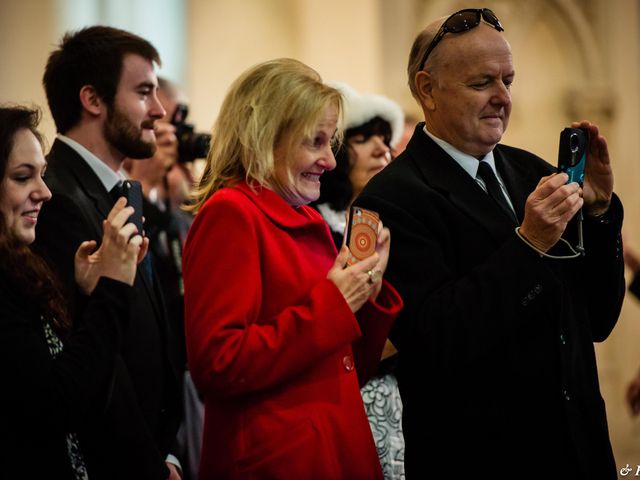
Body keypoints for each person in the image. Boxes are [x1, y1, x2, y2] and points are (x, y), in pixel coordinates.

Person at [355, 8, 625, 479]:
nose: (503, 98)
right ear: (427, 89)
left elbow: (597, 319)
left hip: (579, 451)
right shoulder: (389, 198)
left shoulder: (533, 172)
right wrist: (528, 245)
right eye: (482, 83)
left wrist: (600, 215)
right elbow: (436, 343)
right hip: (480, 457)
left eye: (509, 81)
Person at [183, 58, 404, 479]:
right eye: (315, 142)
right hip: (281, 457)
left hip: (329, 446)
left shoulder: (303, 217)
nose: (330, 161)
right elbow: (217, 363)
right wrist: (335, 302)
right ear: (266, 137)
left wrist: (367, 290)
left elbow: (341, 363)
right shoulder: (231, 214)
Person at [34, 26, 183, 479]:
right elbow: (96, 351)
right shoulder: (56, 199)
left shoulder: (115, 190)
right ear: (93, 100)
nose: (158, 111)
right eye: (143, 92)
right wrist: (149, 465)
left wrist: (170, 450)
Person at [0, 106, 145, 479]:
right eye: (22, 177)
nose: (45, 192)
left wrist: (87, 292)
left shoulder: (20, 265)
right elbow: (57, 405)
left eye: (43, 176)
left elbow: (74, 374)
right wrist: (113, 285)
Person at [313, 81, 406, 479]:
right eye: (363, 138)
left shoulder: (391, 222)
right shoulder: (314, 224)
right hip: (340, 393)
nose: (380, 149)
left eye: (384, 139)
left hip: (395, 394)